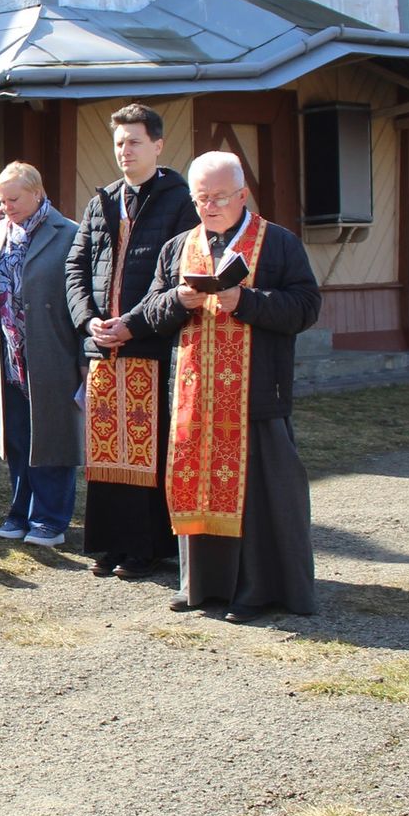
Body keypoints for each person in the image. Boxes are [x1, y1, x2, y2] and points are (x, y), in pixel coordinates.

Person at [139, 151, 321, 624]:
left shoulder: (279, 243)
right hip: (195, 396)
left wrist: (247, 301)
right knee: (196, 491)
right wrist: (178, 300)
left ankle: (259, 592)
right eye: (201, 198)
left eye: (219, 197)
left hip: (256, 395)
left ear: (243, 194)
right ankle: (200, 586)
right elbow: (152, 312)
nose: (209, 207)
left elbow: (305, 308)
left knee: (261, 500)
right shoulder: (178, 247)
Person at [64, 103, 199, 579]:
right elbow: (75, 267)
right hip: (103, 346)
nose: (125, 151)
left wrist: (133, 324)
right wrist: (89, 321)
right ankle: (107, 544)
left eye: (135, 142)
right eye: (119, 143)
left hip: (151, 345)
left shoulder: (180, 201)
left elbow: (177, 277)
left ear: (158, 145)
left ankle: (146, 547)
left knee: (147, 448)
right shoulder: (102, 200)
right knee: (105, 451)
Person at [0, 162, 83, 547]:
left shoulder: (68, 233)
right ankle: (19, 510)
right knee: (17, 436)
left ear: (37, 193)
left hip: (50, 349)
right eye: (1, 199)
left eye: (13, 198)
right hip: (5, 353)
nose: (6, 206)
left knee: (53, 436)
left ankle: (50, 519)